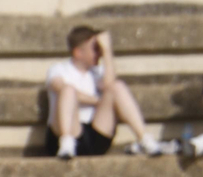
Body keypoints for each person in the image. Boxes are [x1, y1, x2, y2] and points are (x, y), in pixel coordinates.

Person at [46, 26, 166, 160]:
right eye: (95, 49)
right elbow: (61, 88)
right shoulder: (58, 69)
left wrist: (107, 51)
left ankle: (144, 138)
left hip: (96, 134)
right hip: (67, 133)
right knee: (68, 90)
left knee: (118, 86)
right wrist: (98, 101)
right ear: (78, 52)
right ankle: (67, 142)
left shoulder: (98, 72)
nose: (99, 53)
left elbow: (111, 87)